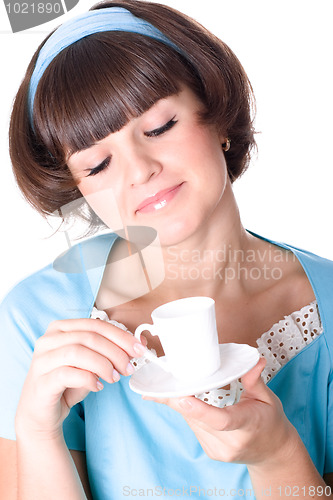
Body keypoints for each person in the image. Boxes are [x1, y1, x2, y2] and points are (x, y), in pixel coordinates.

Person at [0, 1, 333, 499]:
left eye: (158, 128)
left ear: (217, 114)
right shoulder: (35, 321)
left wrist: (277, 455)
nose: (139, 170)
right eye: (97, 165)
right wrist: (38, 432)